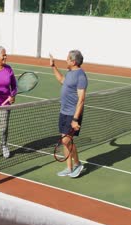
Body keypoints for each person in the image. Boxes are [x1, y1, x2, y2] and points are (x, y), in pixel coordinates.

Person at [50, 50, 88, 178]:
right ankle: (69, 167)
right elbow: (62, 80)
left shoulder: (81, 76)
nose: (66, 60)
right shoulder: (70, 72)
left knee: (66, 140)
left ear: (74, 61)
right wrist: (53, 66)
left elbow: (81, 99)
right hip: (63, 112)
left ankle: (77, 164)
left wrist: (76, 119)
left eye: (67, 59)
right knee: (65, 140)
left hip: (73, 114)